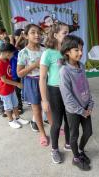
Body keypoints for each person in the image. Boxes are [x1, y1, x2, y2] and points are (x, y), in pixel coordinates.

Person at [59, 35, 94, 171]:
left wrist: (90, 104)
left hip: (86, 108)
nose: (80, 53)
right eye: (76, 50)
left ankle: (80, 150)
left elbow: (86, 86)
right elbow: (67, 97)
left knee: (89, 132)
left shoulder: (82, 66)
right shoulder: (64, 71)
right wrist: (81, 111)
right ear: (67, 52)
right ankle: (75, 158)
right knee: (74, 135)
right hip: (73, 110)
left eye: (81, 49)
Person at [40, 22, 70, 163]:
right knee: (57, 122)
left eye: (68, 32)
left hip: (69, 89)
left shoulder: (67, 52)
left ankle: (69, 143)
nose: (67, 35)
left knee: (70, 119)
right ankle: (54, 149)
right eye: (64, 33)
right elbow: (42, 78)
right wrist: (44, 100)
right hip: (55, 90)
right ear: (55, 35)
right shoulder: (48, 53)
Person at [17, 24, 49, 146]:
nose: (37, 35)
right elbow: (19, 73)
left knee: (49, 107)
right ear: (26, 35)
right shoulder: (23, 53)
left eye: (39, 33)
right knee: (37, 109)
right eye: (33, 32)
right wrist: (35, 65)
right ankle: (42, 133)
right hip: (32, 81)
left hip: (46, 80)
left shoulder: (44, 49)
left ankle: (55, 127)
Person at [0, 43, 29, 128]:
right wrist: (17, 84)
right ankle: (10, 120)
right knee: (8, 106)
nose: (13, 55)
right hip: (4, 89)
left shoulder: (6, 60)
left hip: (10, 87)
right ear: (7, 53)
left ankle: (17, 118)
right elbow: (4, 79)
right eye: (12, 54)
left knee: (15, 103)